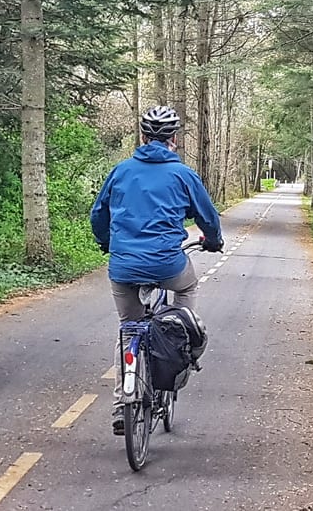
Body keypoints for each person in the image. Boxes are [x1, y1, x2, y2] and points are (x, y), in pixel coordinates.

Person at [90, 105, 223, 435]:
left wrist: (108, 243)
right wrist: (213, 241)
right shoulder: (183, 175)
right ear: (174, 139)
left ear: (142, 136)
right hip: (168, 263)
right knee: (187, 288)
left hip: (123, 267)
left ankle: (123, 402)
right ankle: (182, 336)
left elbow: (98, 215)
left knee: (129, 327)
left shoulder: (121, 171)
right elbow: (207, 217)